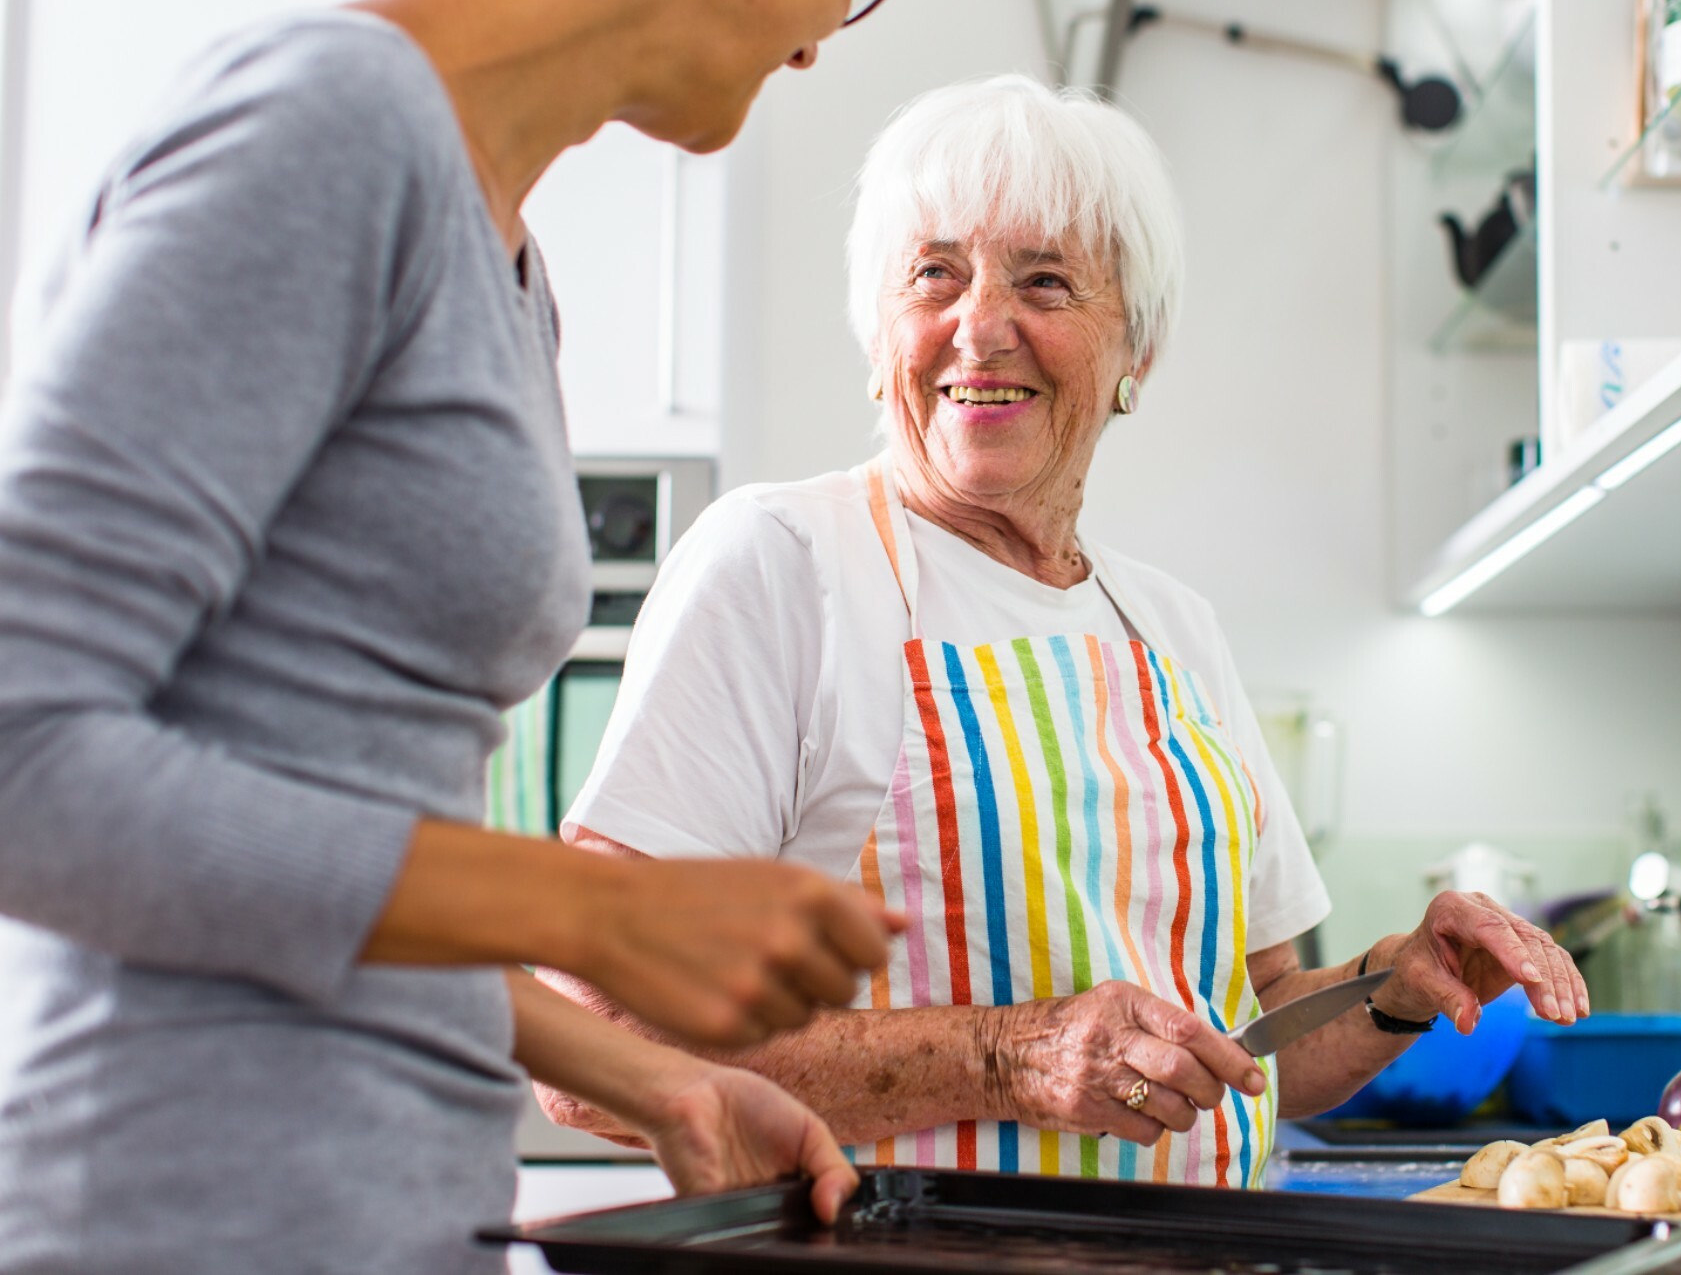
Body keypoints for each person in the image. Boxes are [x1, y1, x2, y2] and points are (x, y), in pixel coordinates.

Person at [0, 0, 917, 1269]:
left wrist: (660, 1075)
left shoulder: (510, 266)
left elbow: (337, 856)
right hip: (181, 1215)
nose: (823, 35)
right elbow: (19, 751)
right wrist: (598, 913)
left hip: (393, 1208)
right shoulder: (327, 129)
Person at [541, 75, 1589, 1188]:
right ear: (878, 328)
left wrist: (1391, 986)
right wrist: (1005, 1058)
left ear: (1135, 352)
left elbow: (1257, 1026)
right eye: (933, 274)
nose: (979, 327)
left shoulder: (1170, 629)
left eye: (1043, 280)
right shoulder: (784, 563)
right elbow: (589, 1035)